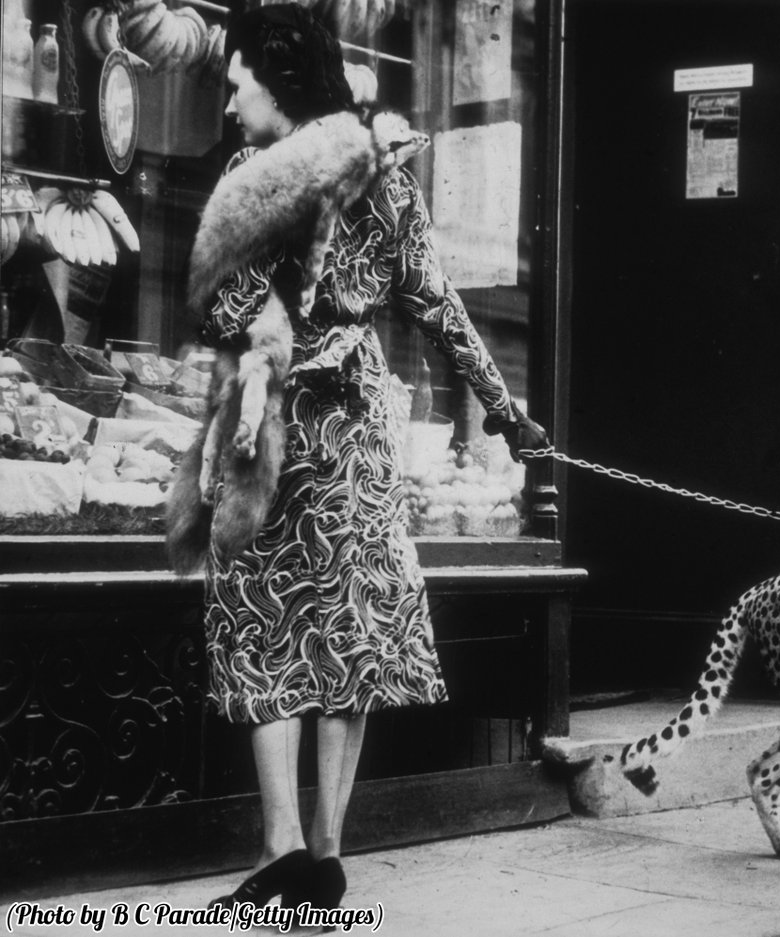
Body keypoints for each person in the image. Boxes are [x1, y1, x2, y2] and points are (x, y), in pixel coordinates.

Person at [199, 3, 548, 914]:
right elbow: (441, 308)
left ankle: (281, 843)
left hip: (269, 432)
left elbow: (220, 307)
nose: (231, 100)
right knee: (346, 629)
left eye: (239, 83)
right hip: (354, 429)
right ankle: (324, 851)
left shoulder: (249, 177)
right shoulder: (386, 183)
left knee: (263, 619)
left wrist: (266, 339)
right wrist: (509, 415)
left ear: (280, 85)